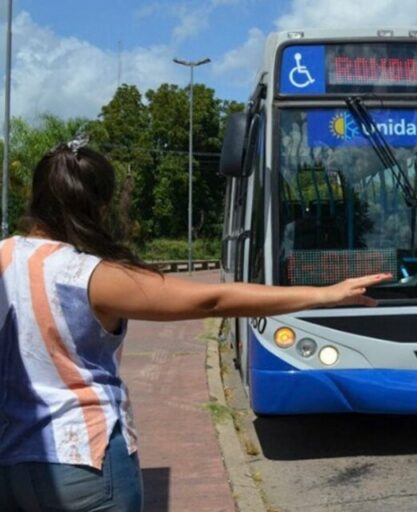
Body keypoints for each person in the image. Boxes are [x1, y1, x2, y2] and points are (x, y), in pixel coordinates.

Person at [0, 140, 391, 511]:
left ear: (37, 198)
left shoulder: (4, 256)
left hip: (11, 461)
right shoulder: (89, 274)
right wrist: (324, 295)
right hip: (86, 460)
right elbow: (213, 300)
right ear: (97, 206)